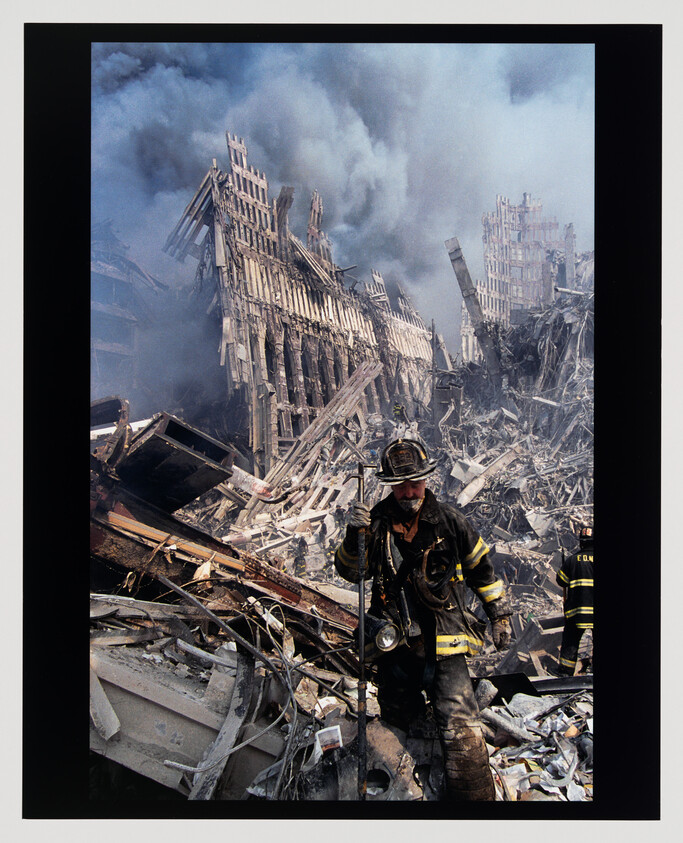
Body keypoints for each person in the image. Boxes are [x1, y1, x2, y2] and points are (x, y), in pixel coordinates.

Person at [334, 437, 512, 801]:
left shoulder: (450, 521)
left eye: (414, 483)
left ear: (427, 480)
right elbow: (353, 574)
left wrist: (500, 615)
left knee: (462, 728)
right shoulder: (375, 524)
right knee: (399, 730)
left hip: (445, 645)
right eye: (400, 485)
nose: (408, 492)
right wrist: (355, 536)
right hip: (395, 650)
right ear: (389, 486)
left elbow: (482, 570)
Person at [555, 525, 594, 676]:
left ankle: (565, 673)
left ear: (581, 542)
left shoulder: (572, 560)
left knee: (571, 642)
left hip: (576, 613)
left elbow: (561, 581)